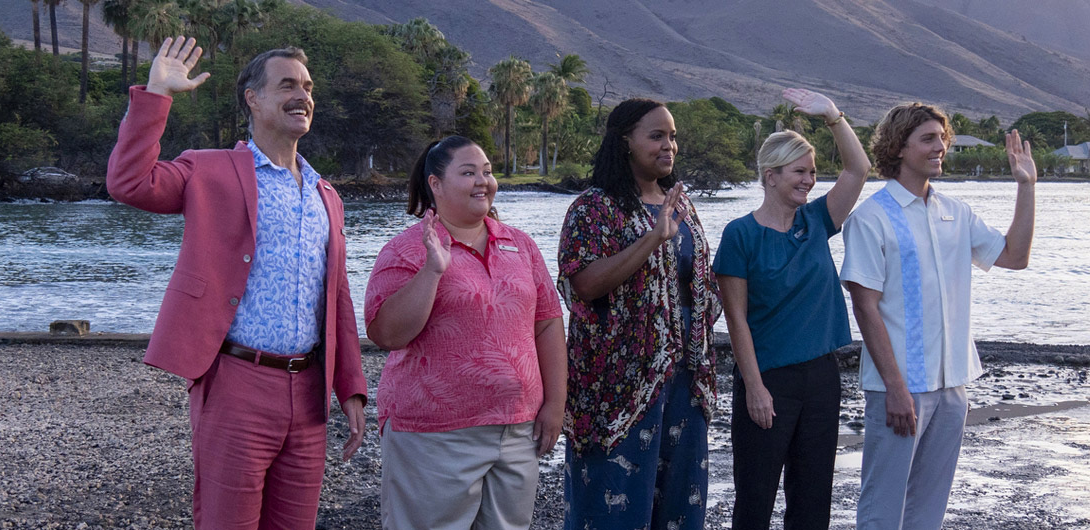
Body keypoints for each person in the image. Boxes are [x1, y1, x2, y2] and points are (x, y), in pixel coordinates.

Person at [105, 36, 367, 529]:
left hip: (309, 391)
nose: (302, 96)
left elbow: (336, 297)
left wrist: (350, 386)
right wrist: (157, 94)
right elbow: (129, 183)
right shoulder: (210, 169)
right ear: (253, 98)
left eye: (308, 87)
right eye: (287, 85)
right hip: (236, 382)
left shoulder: (325, 193)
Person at [840, 104, 1037, 529]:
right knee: (882, 508)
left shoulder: (957, 212)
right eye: (928, 139)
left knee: (929, 510)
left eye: (942, 138)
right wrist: (895, 388)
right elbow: (865, 306)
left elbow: (1015, 256)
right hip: (899, 388)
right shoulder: (870, 218)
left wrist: (1026, 186)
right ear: (899, 147)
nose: (940, 147)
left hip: (952, 386)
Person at [364, 135, 567, 530]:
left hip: (516, 429)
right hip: (434, 434)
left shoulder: (520, 245)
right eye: (469, 172)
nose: (483, 182)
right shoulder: (406, 249)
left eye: (487, 172)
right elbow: (387, 334)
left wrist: (555, 403)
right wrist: (432, 271)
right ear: (435, 184)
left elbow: (547, 322)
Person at [557, 98, 719, 530]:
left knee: (680, 505)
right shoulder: (594, 207)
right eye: (657, 136)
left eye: (673, 137)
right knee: (613, 505)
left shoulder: (680, 205)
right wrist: (652, 239)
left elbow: (696, 284)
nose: (669, 146)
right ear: (626, 141)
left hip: (684, 379)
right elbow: (585, 284)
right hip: (618, 384)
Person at [713, 88, 870, 529]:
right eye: (799, 171)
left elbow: (858, 169)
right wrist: (755, 388)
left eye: (813, 172)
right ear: (771, 176)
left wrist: (834, 116)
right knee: (755, 500)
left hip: (822, 377)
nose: (809, 180)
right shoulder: (740, 235)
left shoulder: (816, 220)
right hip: (768, 379)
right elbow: (736, 319)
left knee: (812, 499)